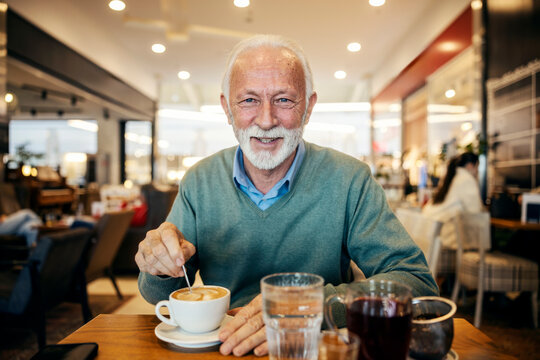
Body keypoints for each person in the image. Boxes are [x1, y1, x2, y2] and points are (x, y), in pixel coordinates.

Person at [136, 34, 438, 357]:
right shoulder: (199, 180)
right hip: (224, 350)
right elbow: (160, 294)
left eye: (283, 100)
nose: (266, 121)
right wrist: (157, 265)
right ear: (227, 109)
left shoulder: (350, 179)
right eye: (249, 100)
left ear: (308, 107)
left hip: (314, 349)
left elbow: (417, 285)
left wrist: (308, 307)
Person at [422, 152, 484, 276]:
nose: (477, 172)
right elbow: (476, 213)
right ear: (471, 166)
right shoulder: (466, 179)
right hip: (444, 240)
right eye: (477, 167)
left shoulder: (452, 177)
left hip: (430, 237)